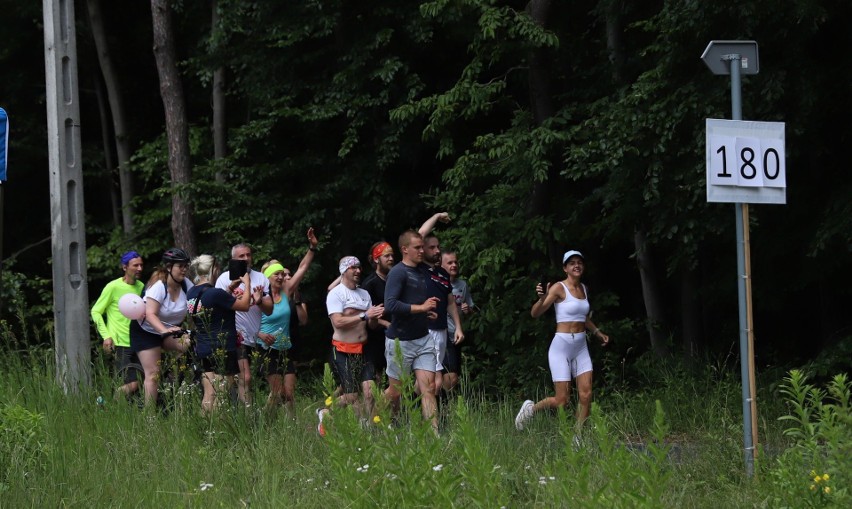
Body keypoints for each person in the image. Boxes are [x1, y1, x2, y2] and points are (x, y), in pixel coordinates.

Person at [514, 250, 610, 440]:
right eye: (572, 263)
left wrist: (598, 333)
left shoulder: (584, 288)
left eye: (579, 262)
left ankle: (578, 438)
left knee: (586, 394)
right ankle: (531, 409)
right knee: (562, 400)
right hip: (561, 346)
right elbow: (535, 313)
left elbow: (583, 318)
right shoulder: (559, 288)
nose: (576, 265)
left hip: (581, 346)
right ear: (565, 268)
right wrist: (542, 299)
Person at [316, 256, 384, 436]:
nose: (358, 271)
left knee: (370, 392)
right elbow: (338, 322)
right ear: (343, 271)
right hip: (342, 349)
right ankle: (325, 411)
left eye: (359, 267)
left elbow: (372, 325)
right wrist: (363, 315)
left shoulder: (364, 294)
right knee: (352, 395)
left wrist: (375, 316)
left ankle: (368, 428)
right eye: (353, 268)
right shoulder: (336, 294)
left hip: (364, 347)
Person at [383, 230, 440, 432]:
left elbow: (413, 303)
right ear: (404, 249)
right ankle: (374, 421)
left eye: (422, 247)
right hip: (400, 341)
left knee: (429, 388)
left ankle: (435, 435)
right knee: (395, 393)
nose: (421, 251)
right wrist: (421, 308)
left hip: (423, 338)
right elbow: (390, 305)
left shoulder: (421, 270)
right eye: (417, 247)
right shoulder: (398, 272)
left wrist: (424, 314)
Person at [257, 230, 318, 413]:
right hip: (267, 349)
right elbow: (247, 322)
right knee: (278, 394)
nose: (281, 277)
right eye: (276, 274)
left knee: (289, 395)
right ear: (267, 277)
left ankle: (292, 428)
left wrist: (312, 247)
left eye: (282, 274)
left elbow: (302, 267)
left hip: (285, 348)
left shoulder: (286, 292)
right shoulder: (259, 295)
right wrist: (259, 333)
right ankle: (262, 422)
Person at [187, 255, 254, 414]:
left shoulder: (192, 293)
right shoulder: (216, 293)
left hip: (204, 348)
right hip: (222, 347)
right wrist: (247, 283)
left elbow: (212, 303)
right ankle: (217, 432)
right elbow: (244, 305)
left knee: (209, 394)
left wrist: (229, 290)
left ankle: (205, 430)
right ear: (213, 270)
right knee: (222, 395)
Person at [129, 248, 194, 406]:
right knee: (153, 375)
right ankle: (150, 418)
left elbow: (195, 307)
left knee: (193, 344)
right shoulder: (159, 286)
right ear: (169, 267)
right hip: (146, 332)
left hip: (170, 330)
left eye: (186, 266)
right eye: (181, 266)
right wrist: (164, 331)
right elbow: (150, 314)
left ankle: (174, 376)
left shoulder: (187, 285)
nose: (184, 270)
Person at [215, 242, 274, 406]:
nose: (246, 258)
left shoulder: (260, 278)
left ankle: (231, 411)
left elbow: (269, 310)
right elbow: (217, 307)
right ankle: (247, 416)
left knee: (240, 379)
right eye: (241, 256)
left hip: (253, 337)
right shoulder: (224, 279)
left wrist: (260, 300)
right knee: (245, 377)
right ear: (233, 259)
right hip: (233, 335)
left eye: (248, 255)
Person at [418, 213, 464, 397]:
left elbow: (451, 302)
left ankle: (432, 417)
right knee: (428, 381)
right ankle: (409, 412)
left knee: (436, 382)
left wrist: (458, 327)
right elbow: (420, 233)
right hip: (423, 330)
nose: (437, 251)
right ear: (422, 249)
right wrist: (436, 217)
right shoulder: (418, 269)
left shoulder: (443, 274)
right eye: (432, 247)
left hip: (442, 331)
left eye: (438, 247)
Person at [91, 250, 145, 398]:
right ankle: (107, 403)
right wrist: (106, 336)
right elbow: (96, 311)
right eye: (135, 265)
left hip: (139, 342)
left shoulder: (142, 287)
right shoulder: (112, 287)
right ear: (124, 267)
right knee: (132, 382)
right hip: (120, 343)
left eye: (141, 265)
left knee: (142, 381)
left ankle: (110, 403)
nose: (140, 269)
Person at [441, 249, 475, 393]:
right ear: (441, 265)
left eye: (455, 262)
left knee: (452, 377)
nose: (454, 265)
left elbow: (470, 308)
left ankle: (441, 406)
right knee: (450, 376)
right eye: (449, 263)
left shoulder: (462, 285)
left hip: (455, 335)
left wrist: (467, 310)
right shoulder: (436, 283)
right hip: (439, 334)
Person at [360, 241, 394, 383]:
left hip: (395, 336)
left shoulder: (395, 279)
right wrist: (385, 323)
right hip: (374, 338)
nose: (391, 259)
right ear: (376, 259)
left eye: (392, 255)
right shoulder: (369, 283)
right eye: (386, 256)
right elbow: (364, 314)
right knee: (376, 380)